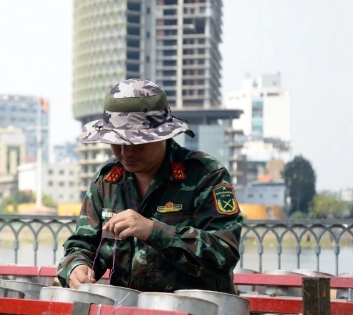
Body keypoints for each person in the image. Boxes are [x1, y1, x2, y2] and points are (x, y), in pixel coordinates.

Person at [57, 79, 243, 294]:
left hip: (197, 314)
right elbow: (83, 243)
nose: (126, 153)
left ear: (163, 136)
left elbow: (224, 253)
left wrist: (154, 231)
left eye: (137, 143)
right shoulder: (107, 181)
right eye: (116, 143)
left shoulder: (205, 175)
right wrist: (77, 266)